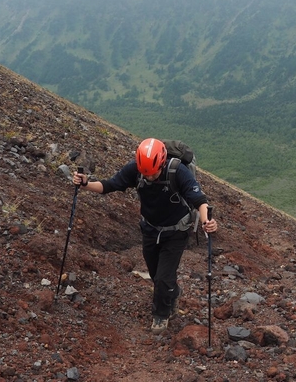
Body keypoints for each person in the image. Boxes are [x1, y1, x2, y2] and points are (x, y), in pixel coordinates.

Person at [72, 138, 218, 334]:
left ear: (162, 162)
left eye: (153, 173)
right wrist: (85, 184)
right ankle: (173, 292)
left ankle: (161, 315)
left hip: (176, 232)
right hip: (150, 230)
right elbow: (109, 185)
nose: (149, 178)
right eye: (145, 174)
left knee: (163, 278)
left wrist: (207, 221)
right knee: (156, 274)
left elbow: (199, 199)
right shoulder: (136, 169)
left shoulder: (177, 171)